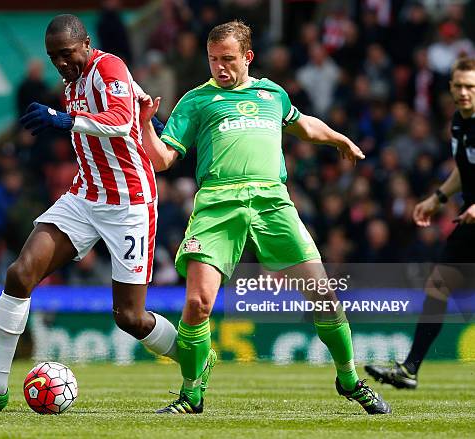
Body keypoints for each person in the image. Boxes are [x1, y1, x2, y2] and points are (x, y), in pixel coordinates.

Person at [0, 14, 212, 413]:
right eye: (53, 56)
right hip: (85, 195)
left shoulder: (108, 66)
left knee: (129, 317)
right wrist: (150, 117)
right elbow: (138, 107)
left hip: (129, 204)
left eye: (67, 53)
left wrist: (63, 118)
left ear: (86, 44)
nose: (60, 63)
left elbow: (120, 119)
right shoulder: (77, 79)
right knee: (20, 274)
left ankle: (194, 359)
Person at [139, 21, 390, 415]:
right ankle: (191, 393)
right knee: (198, 304)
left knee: (323, 296)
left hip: (273, 201)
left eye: (228, 59)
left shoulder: (271, 92)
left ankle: (349, 379)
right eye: (213, 59)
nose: (219, 67)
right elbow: (163, 159)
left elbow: (303, 124)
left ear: (247, 57)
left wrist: (338, 138)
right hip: (218, 202)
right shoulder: (195, 100)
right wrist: (144, 124)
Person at [365, 57, 475, 389]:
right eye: (458, 86)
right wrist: (437, 198)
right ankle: (410, 369)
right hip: (469, 220)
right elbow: (464, 168)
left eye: (470, 86)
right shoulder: (459, 122)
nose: (464, 92)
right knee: (437, 285)